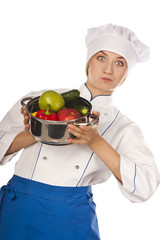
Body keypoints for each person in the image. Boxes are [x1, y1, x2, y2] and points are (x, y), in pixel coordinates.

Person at [0, 23, 159, 240]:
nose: (108, 70)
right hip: (20, 207)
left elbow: (145, 186)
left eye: (119, 63)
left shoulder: (124, 127)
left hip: (70, 217)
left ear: (126, 72)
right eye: (101, 58)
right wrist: (37, 130)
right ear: (88, 61)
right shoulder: (40, 101)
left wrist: (96, 142)